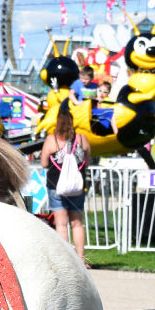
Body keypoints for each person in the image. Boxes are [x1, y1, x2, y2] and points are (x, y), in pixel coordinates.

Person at [40, 101, 91, 263]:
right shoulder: (82, 139)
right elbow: (87, 162)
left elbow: (44, 164)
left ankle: (67, 260)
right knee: (77, 223)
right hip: (77, 187)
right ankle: (81, 259)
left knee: (61, 224)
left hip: (56, 186)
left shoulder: (52, 140)